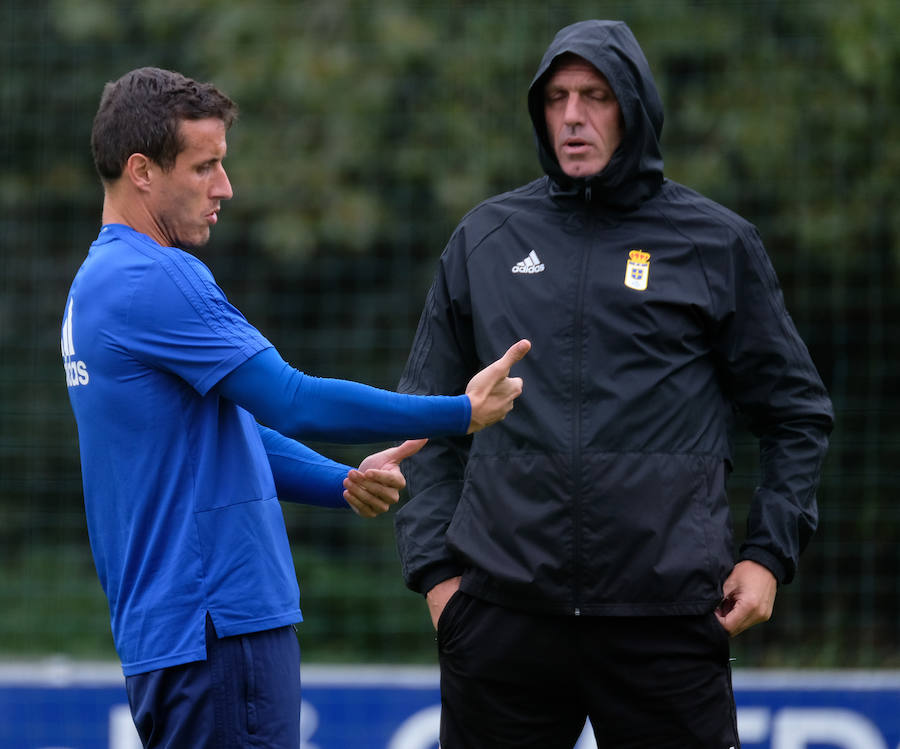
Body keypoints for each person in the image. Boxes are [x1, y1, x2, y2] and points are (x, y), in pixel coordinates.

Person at [394, 19, 833, 749]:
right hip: (502, 621)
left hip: (663, 620)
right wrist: (439, 578)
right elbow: (422, 420)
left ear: (633, 107)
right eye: (558, 97)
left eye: (595, 96)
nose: (572, 115)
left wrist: (767, 556)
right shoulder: (485, 238)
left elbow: (796, 413)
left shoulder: (715, 242)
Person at [61, 66, 529, 749]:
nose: (225, 187)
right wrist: (457, 412)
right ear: (141, 170)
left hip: (170, 636)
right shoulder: (157, 278)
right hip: (220, 626)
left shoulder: (94, 284)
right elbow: (292, 399)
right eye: (205, 167)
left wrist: (338, 482)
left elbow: (221, 434)